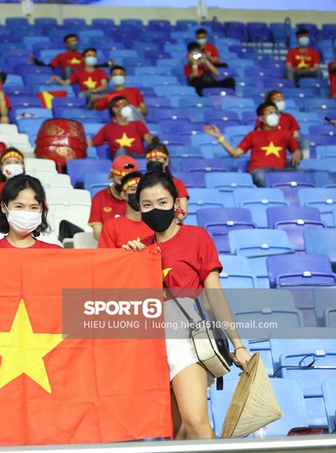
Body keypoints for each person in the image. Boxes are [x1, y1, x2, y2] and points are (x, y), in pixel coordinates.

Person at [123, 170, 251, 439]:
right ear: (138, 209)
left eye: (162, 202)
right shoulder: (138, 250)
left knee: (195, 423)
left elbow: (215, 294)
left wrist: (238, 344)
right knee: (175, 434)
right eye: (146, 205)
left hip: (186, 339)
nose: (154, 209)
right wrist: (126, 263)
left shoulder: (197, 237)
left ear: (175, 204)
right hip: (151, 344)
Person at [203, 101, 303, 187]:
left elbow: (297, 151)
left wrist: (298, 152)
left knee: (301, 174)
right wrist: (219, 137)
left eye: (275, 113)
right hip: (259, 171)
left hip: (279, 172)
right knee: (262, 177)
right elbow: (235, 153)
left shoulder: (286, 133)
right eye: (269, 113)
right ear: (261, 118)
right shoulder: (253, 135)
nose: (274, 115)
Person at [0, 174, 60, 249]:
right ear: (3, 207)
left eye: (34, 207)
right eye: (19, 206)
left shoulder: (56, 253)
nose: (26, 213)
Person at [88, 155, 138, 241]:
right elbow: (97, 233)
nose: (125, 186)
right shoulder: (99, 198)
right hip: (111, 248)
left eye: (129, 182)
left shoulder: (140, 198)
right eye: (121, 180)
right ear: (111, 177)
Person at [98, 171, 152, 248]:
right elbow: (105, 258)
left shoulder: (155, 223)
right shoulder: (111, 226)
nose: (137, 194)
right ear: (123, 195)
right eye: (133, 189)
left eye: (140, 190)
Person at [87, 96, 152, 157]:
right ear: (115, 109)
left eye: (127, 105)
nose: (128, 108)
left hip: (139, 157)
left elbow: (150, 141)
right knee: (121, 150)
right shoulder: (107, 128)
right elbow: (91, 143)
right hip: (121, 159)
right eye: (124, 106)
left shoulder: (138, 124)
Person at [144, 138, 189, 222]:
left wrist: (172, 224)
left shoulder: (178, 184)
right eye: (150, 160)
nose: (154, 162)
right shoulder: (142, 184)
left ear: (166, 161)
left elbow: (183, 211)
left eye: (157, 160)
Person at [256, 90, 309, 156]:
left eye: (283, 100)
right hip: (270, 144)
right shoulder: (264, 118)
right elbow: (259, 134)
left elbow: (296, 135)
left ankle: (305, 163)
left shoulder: (289, 117)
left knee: (303, 142)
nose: (282, 102)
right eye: (278, 101)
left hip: (288, 143)